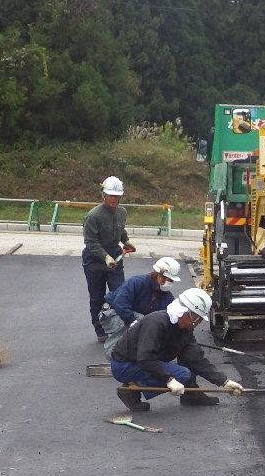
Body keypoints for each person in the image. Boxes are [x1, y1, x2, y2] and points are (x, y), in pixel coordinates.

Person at [110, 288, 244, 413]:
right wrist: (168, 379)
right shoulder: (156, 323)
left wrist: (224, 382)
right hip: (125, 364)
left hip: (144, 362)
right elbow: (145, 357)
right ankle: (130, 389)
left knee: (188, 359)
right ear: (186, 313)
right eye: (197, 318)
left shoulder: (184, 329)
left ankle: (191, 395)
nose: (198, 323)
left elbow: (195, 358)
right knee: (182, 374)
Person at [81, 176, 133, 341]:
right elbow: (90, 242)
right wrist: (105, 257)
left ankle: (119, 326)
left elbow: (121, 230)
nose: (113, 198)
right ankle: (100, 330)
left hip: (115, 256)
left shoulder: (122, 212)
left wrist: (126, 241)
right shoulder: (93, 216)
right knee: (97, 297)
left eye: (116, 196)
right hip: (94, 260)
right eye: (110, 195)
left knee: (120, 293)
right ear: (103, 195)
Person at [97, 257, 182, 357]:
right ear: (159, 275)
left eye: (172, 281)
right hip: (112, 313)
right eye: (169, 280)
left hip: (136, 318)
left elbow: (167, 317)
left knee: (148, 325)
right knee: (140, 322)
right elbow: (120, 303)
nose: (170, 283)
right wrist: (133, 322)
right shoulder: (137, 282)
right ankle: (114, 355)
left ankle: (134, 356)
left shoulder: (167, 297)